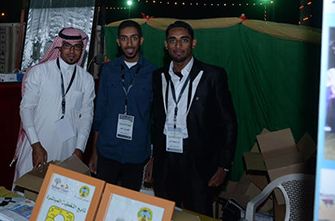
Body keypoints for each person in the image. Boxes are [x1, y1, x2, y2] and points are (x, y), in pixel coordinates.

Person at [151, 20, 237, 216]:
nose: (178, 46)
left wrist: (224, 165)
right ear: (166, 45)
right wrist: (154, 158)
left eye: (184, 40)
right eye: (173, 40)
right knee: (166, 214)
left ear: (193, 43)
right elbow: (156, 121)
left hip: (199, 162)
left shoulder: (213, 75)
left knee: (198, 215)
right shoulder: (158, 76)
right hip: (166, 160)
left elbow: (229, 123)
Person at [13, 27, 95, 181]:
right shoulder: (39, 72)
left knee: (59, 189)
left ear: (82, 49)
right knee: (27, 187)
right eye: (67, 46)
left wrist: (79, 149)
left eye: (77, 46)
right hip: (37, 142)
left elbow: (86, 116)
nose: (72, 51)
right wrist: (35, 145)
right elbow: (26, 109)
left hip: (68, 147)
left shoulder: (86, 79)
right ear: (59, 46)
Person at [89, 20, 156, 190]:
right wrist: (95, 152)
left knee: (129, 201)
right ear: (118, 42)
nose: (129, 44)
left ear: (141, 40)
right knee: (102, 198)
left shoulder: (153, 73)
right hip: (107, 149)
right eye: (124, 39)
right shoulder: (108, 69)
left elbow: (156, 119)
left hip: (137, 152)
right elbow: (100, 112)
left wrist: (153, 158)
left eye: (134, 38)